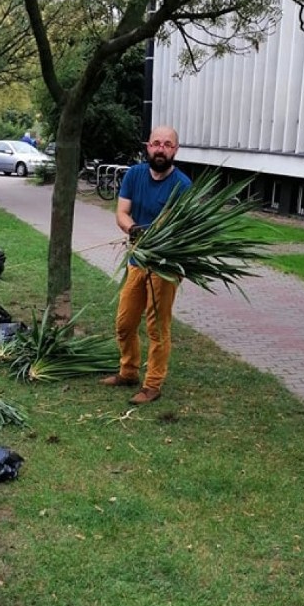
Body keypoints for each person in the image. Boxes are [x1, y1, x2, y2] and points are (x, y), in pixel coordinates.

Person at [100, 126, 192, 405]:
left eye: (167, 144)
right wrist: (135, 231)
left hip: (165, 266)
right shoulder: (134, 175)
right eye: (156, 143)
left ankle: (152, 384)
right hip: (137, 260)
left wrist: (161, 240)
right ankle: (128, 372)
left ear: (175, 150)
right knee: (125, 322)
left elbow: (182, 228)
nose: (160, 149)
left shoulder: (182, 185)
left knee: (157, 327)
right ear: (148, 147)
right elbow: (122, 212)